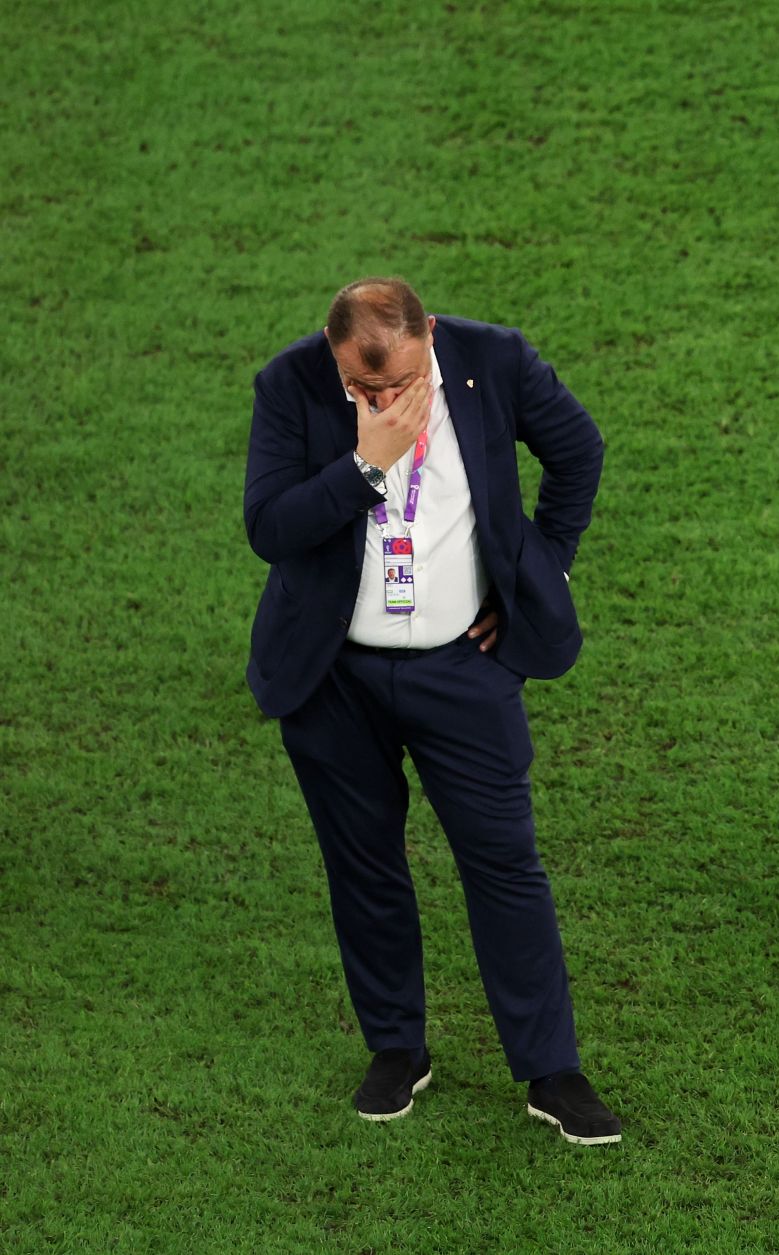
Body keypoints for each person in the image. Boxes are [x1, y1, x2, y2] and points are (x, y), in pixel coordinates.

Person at [243, 277, 620, 1144]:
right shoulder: (291, 383)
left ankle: (552, 1068)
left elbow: (579, 452)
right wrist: (367, 463)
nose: (381, 399)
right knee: (364, 863)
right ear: (333, 352)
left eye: (399, 384)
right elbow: (268, 525)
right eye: (362, 387)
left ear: (433, 338)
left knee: (504, 863)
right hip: (333, 678)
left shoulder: (495, 360)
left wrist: (539, 570)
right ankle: (396, 1047)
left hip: (464, 672)